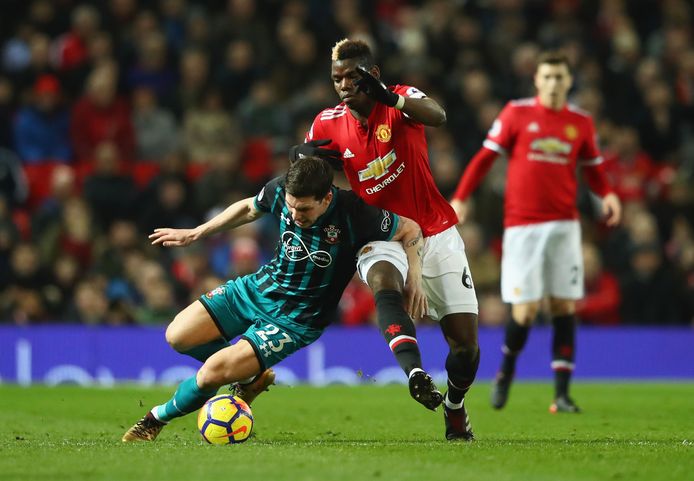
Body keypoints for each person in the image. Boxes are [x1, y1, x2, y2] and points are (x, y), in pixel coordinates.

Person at [122, 156, 426, 442]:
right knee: (177, 335)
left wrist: (414, 277)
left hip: (295, 318)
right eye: (292, 208)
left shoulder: (354, 213)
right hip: (257, 288)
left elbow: (410, 229)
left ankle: (154, 420)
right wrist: (197, 233)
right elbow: (249, 208)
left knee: (212, 372)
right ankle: (252, 375)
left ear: (327, 199)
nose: (295, 216)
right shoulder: (283, 188)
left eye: (304, 210)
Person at [292, 39, 479, 441]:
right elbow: (310, 177)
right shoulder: (327, 122)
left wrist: (391, 100)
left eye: (351, 76)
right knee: (382, 280)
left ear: (372, 75)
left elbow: (438, 115)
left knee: (466, 349)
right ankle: (414, 371)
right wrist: (301, 158)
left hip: (436, 232)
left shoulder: (402, 100)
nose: (342, 85)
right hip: (382, 230)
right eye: (336, 78)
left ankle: (455, 407)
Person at [450, 50, 622, 413]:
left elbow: (592, 168)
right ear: (537, 80)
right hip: (523, 227)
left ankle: (561, 394)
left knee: (563, 305)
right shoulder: (517, 112)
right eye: (548, 76)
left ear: (569, 81)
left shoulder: (580, 122)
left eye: (560, 77)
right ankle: (505, 374)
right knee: (525, 311)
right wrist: (462, 197)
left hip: (564, 226)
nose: (554, 83)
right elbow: (485, 157)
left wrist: (606, 193)